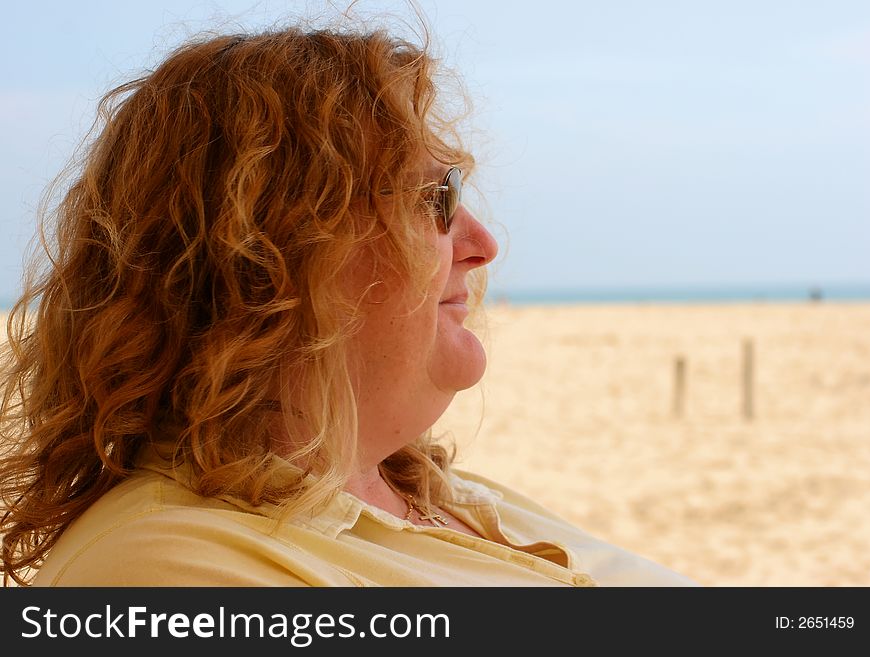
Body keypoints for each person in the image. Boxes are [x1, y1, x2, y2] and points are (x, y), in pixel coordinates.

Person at [0, 23, 696, 587]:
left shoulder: (428, 491)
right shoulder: (168, 572)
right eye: (435, 200)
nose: (481, 244)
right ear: (273, 254)